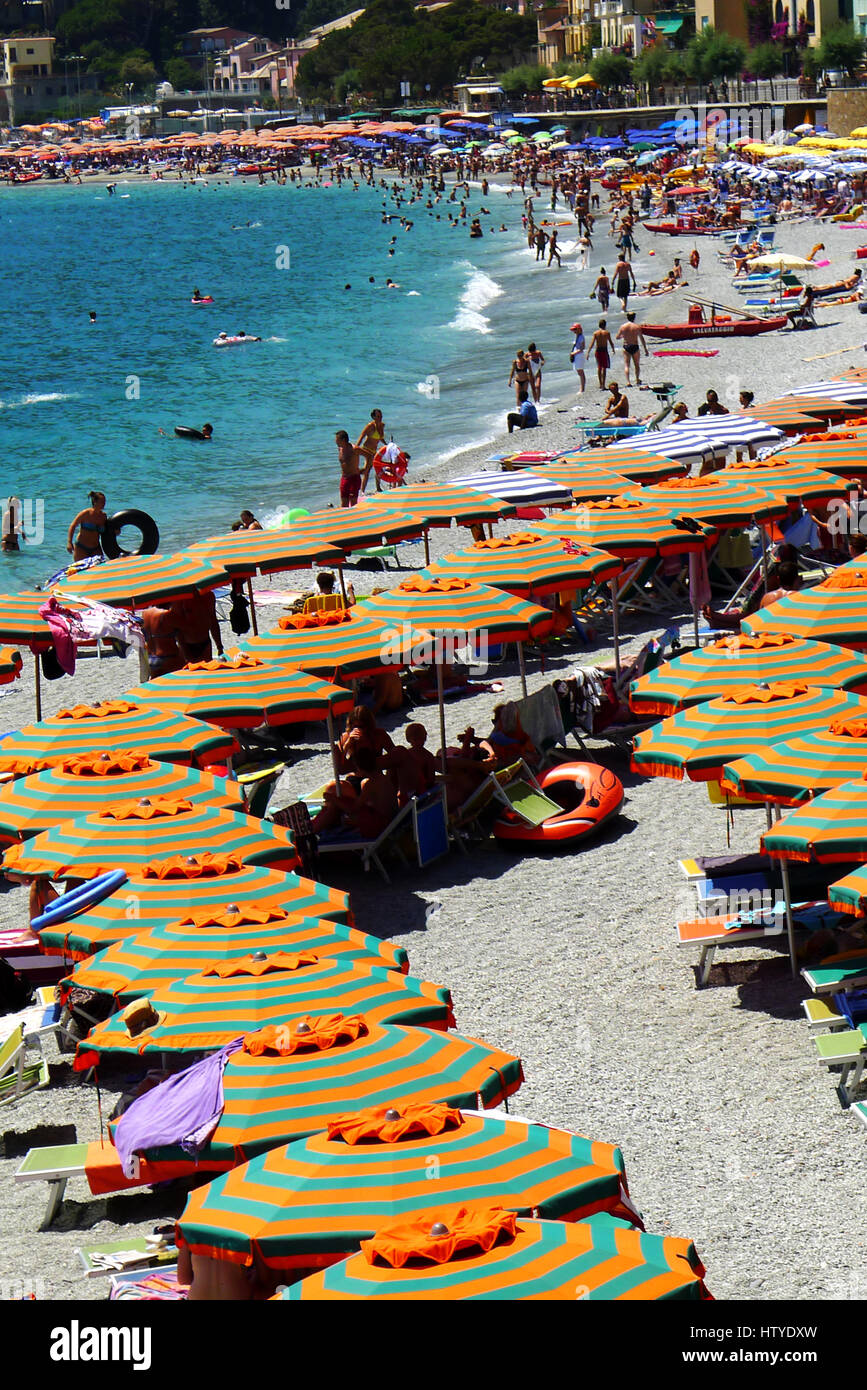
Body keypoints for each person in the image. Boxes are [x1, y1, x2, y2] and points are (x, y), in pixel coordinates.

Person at [311, 746, 399, 841]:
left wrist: (334, 799)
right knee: (341, 802)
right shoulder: (383, 779)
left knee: (336, 806)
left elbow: (353, 809)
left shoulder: (371, 784)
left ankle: (312, 831)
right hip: (388, 823)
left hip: (379, 827)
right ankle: (313, 828)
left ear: (359, 768)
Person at [389, 722, 438, 805]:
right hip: (406, 791)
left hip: (420, 792)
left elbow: (431, 780)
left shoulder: (427, 756)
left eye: (420, 738)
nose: (419, 741)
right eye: (416, 739)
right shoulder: (407, 754)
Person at [176, 590, 223, 662]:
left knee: (207, 670)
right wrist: (184, 651)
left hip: (205, 643)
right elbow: (177, 628)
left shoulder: (209, 596)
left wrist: (219, 646)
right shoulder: (180, 600)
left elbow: (213, 622)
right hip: (187, 645)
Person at [141, 603, 184, 677]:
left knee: (159, 686)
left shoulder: (145, 613)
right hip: (169, 657)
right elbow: (183, 634)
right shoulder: (166, 614)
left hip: (151, 658)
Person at [67, 490, 107, 561]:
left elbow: (106, 532)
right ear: (95, 502)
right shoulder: (85, 514)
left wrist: (116, 531)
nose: (104, 504)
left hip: (96, 548)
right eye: (102, 502)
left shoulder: (103, 516)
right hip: (81, 548)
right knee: (81, 570)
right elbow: (72, 526)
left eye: (105, 501)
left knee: (100, 568)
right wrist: (69, 542)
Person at [355, 409, 387, 492]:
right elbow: (362, 436)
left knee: (378, 468)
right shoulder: (370, 426)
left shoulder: (382, 425)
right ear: (373, 417)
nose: (380, 418)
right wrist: (355, 448)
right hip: (366, 449)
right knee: (368, 471)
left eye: (381, 416)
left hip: (374, 451)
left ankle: (378, 488)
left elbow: (380, 438)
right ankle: (362, 491)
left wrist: (387, 445)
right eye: (378, 416)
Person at [615, 312, 648, 386]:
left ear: (627, 317)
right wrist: (645, 348)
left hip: (626, 346)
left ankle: (628, 382)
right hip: (635, 346)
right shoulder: (637, 327)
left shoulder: (623, 326)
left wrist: (623, 336)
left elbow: (617, 337)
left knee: (627, 365)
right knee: (636, 364)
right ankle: (637, 379)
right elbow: (641, 338)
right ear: (634, 317)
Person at [336, 429, 362, 508]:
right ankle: (345, 519)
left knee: (353, 504)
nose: (336, 442)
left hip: (354, 478)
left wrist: (365, 468)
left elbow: (369, 456)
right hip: (344, 478)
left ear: (343, 440)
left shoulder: (354, 449)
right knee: (344, 505)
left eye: (337, 440)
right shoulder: (340, 449)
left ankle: (355, 519)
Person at [588, 319, 614, 390]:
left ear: (599, 325)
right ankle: (603, 384)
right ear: (605, 325)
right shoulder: (607, 333)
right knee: (604, 368)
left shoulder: (595, 333)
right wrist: (613, 349)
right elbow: (611, 342)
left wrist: (588, 352)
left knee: (599, 367)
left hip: (598, 350)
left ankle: (600, 384)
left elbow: (592, 343)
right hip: (604, 350)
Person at [570, 322, 586, 393]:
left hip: (579, 355)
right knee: (579, 372)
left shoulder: (581, 337)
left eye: (575, 329)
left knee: (581, 372)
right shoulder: (577, 336)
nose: (574, 331)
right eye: (574, 330)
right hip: (576, 355)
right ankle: (582, 388)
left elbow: (582, 348)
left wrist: (574, 353)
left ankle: (582, 389)